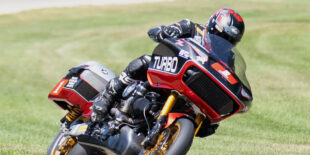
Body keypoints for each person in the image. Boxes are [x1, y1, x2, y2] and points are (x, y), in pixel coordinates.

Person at [90, 8, 245, 122]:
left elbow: (225, 78)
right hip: (170, 72)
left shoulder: (228, 57)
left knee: (208, 125)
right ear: (212, 27)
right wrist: (164, 32)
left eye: (230, 41)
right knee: (146, 61)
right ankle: (108, 95)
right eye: (222, 36)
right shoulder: (192, 28)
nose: (224, 43)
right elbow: (158, 32)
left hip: (192, 90)